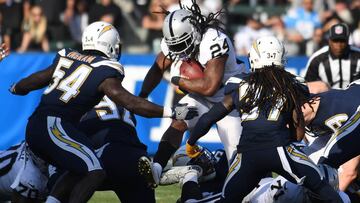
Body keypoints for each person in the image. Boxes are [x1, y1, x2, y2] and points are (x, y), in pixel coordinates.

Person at [9, 21, 197, 203]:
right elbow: (131, 103)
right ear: (111, 46)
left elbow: (34, 80)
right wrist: (172, 111)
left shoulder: (66, 57)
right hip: (129, 153)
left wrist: (17, 87)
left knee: (73, 171)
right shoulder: (106, 74)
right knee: (91, 169)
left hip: (55, 132)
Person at [185, 36, 342, 202]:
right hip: (281, 150)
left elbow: (209, 118)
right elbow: (298, 132)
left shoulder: (240, 84)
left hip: (248, 155)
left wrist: (191, 142)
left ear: (255, 57)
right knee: (322, 187)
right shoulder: (291, 84)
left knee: (227, 199)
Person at [138, 1, 246, 188]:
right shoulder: (176, 40)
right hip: (202, 97)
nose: (179, 50)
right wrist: (142, 94)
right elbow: (157, 68)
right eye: (175, 45)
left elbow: (209, 86)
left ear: (194, 32)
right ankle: (156, 167)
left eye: (183, 43)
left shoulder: (213, 39)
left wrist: (178, 80)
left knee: (237, 160)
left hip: (230, 99)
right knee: (179, 119)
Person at [305, 23, 360, 90]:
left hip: (354, 98)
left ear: (348, 40)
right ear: (329, 41)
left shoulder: (358, 56)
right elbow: (307, 86)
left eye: (342, 41)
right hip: (327, 99)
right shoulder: (317, 59)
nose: (339, 45)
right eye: (335, 41)